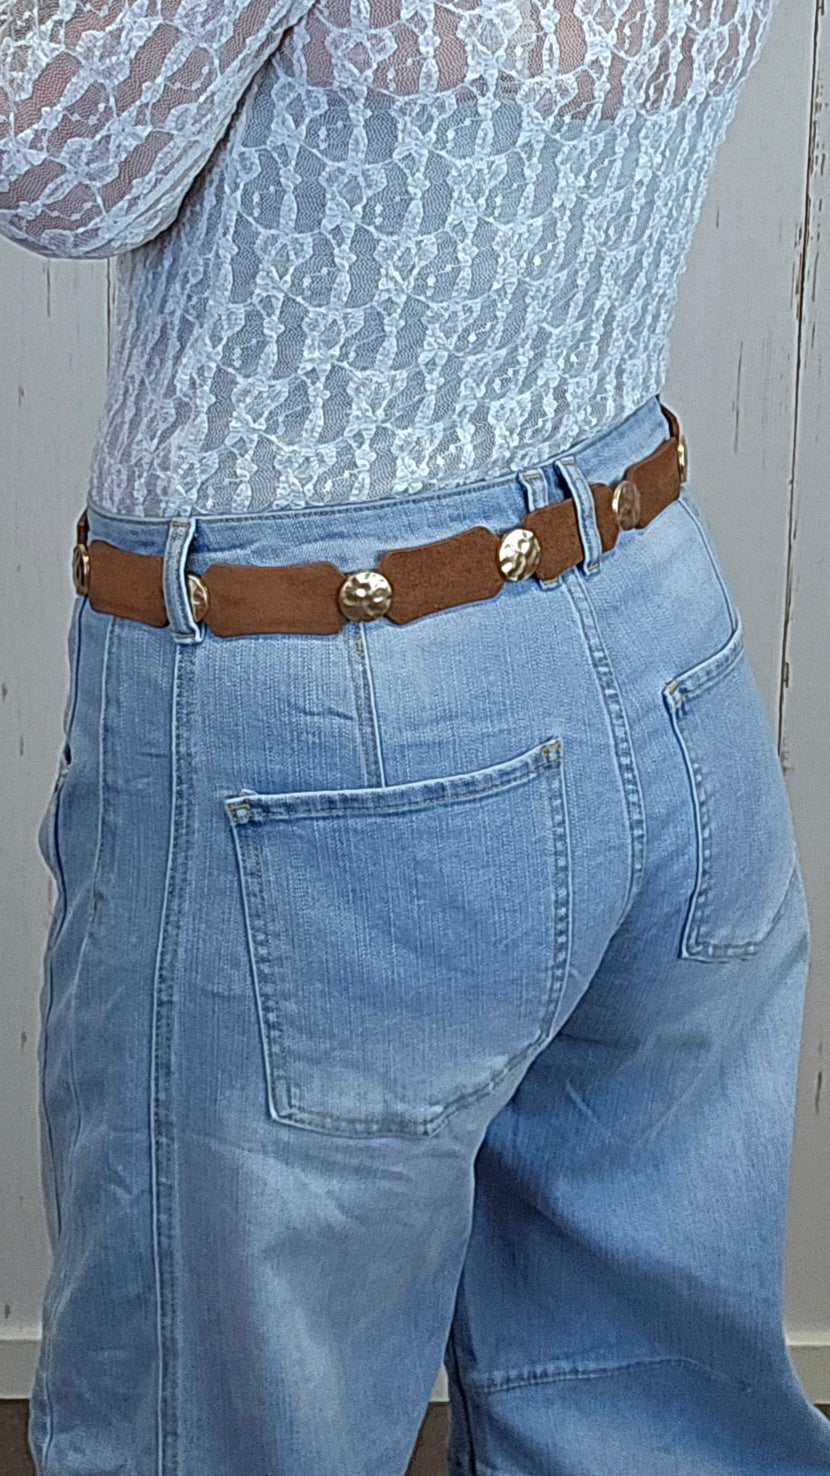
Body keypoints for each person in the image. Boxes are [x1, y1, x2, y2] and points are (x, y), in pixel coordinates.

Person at [4, 0, 830, 1470]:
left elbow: (51, 156)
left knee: (215, 1436)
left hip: (343, 715)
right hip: (646, 620)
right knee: (644, 1419)